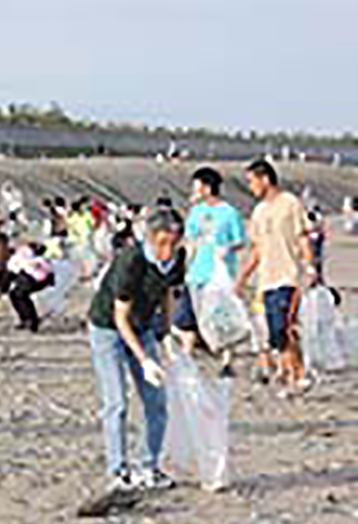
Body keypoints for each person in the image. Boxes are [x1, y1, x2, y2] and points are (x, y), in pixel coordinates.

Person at [88, 209, 186, 492]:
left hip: (143, 327)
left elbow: (168, 293)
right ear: (151, 239)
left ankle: (148, 467)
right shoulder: (132, 260)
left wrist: (166, 333)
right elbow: (120, 318)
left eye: (173, 243)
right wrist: (144, 360)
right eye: (162, 243)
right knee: (116, 402)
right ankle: (118, 471)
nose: (167, 250)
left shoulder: (177, 259)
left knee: (157, 402)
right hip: (107, 328)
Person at [236, 160, 315, 393]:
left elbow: (303, 237)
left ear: (265, 179)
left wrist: (310, 266)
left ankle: (298, 375)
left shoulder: (290, 203)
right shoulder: (259, 212)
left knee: (284, 325)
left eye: (252, 181)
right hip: (266, 280)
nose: (250, 187)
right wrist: (241, 278)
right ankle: (290, 374)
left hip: (288, 276)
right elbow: (258, 250)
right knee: (275, 333)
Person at [176, 167, 246, 375]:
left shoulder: (229, 212)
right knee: (185, 320)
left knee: (221, 320)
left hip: (219, 276)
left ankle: (227, 362)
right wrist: (184, 267)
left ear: (207, 188)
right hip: (195, 274)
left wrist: (227, 249)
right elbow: (190, 242)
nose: (193, 190)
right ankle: (187, 360)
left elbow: (240, 241)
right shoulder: (195, 212)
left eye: (196, 186)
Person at [8, 242, 54, 333]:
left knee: (20, 294)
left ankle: (30, 320)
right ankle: (27, 319)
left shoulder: (26, 253)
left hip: (37, 277)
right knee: (15, 294)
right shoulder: (22, 253)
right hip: (34, 276)